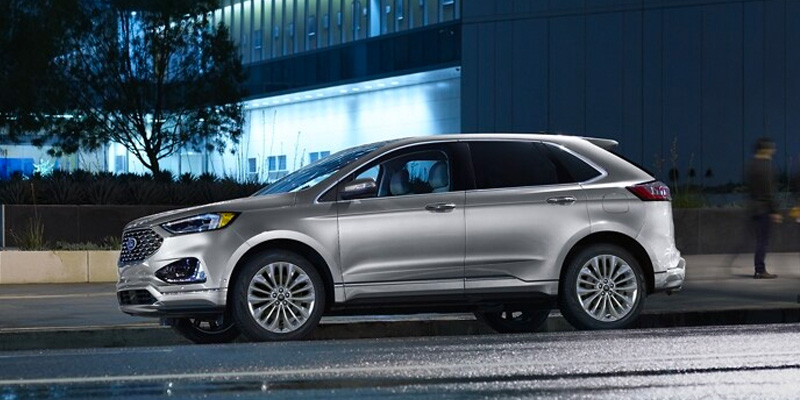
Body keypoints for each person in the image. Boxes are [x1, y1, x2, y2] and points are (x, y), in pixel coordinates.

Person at [747, 137, 781, 279]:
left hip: (754, 207)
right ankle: (760, 270)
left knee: (760, 239)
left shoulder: (752, 165)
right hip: (764, 209)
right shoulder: (766, 165)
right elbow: (769, 190)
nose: (774, 150)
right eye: (772, 148)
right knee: (763, 241)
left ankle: (759, 268)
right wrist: (775, 210)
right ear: (765, 149)